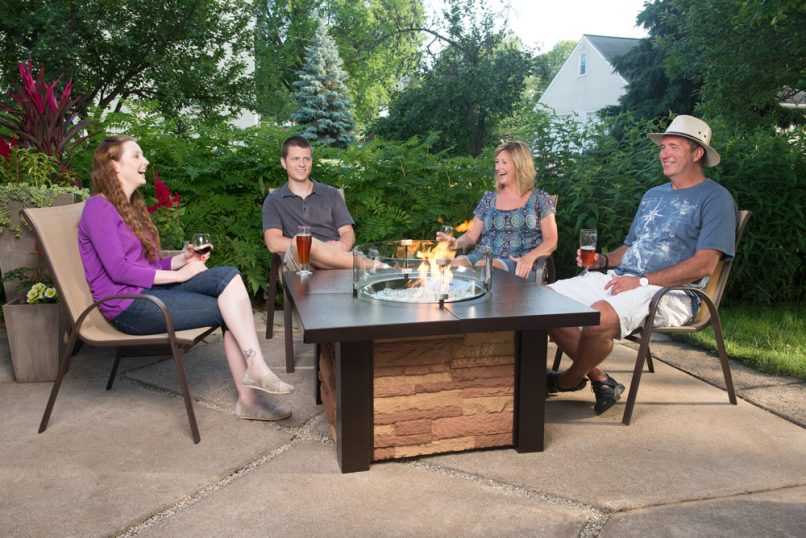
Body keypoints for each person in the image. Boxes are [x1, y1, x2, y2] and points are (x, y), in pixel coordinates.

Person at [78, 135, 294, 422]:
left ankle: (255, 371)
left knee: (227, 276)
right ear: (114, 166)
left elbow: (147, 264)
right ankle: (250, 394)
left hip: (147, 292)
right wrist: (178, 275)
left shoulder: (130, 207)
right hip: (127, 306)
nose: (146, 161)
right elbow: (119, 270)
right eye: (136, 156)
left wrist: (182, 259)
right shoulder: (98, 208)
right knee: (229, 310)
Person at [547, 115, 737, 415]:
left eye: (673, 146)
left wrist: (644, 281)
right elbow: (632, 247)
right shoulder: (653, 195)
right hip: (624, 279)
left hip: (671, 292)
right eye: (663, 147)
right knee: (543, 302)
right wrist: (603, 260)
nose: (664, 153)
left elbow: (705, 264)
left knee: (600, 316)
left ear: (697, 153)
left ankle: (568, 379)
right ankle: (600, 379)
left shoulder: (716, 198)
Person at [437, 140, 558, 280]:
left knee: (486, 267)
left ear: (520, 165)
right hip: (481, 257)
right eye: (497, 162)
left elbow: (551, 241)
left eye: (504, 162)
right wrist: (455, 243)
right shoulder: (488, 199)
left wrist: (529, 258)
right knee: (452, 264)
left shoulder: (539, 199)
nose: (498, 167)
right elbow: (471, 236)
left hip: (517, 261)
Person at [263, 135, 357, 270]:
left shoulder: (331, 194)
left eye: (306, 159)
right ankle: (374, 265)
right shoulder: (274, 200)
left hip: (337, 258)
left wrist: (341, 246)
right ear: (283, 163)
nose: (302, 164)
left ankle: (375, 266)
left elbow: (347, 232)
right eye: (295, 159)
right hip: (301, 262)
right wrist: (313, 247)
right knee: (300, 244)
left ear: (311, 161)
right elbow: (273, 243)